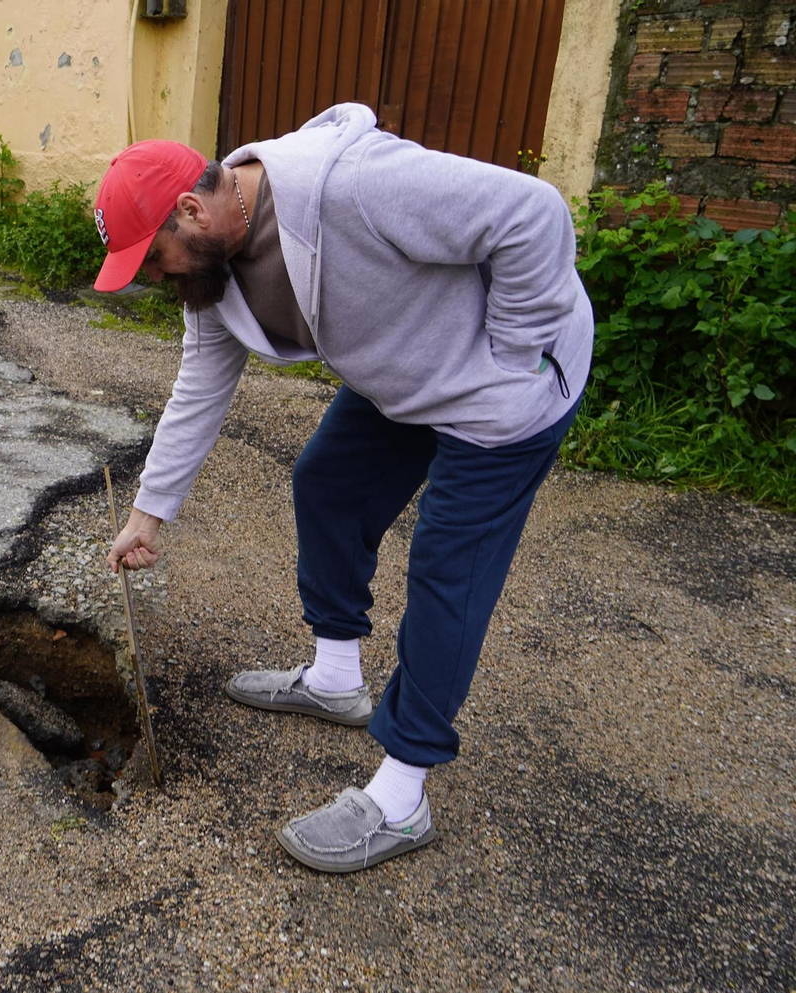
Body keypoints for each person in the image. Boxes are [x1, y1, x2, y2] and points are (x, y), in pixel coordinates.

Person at [98, 104, 592, 873]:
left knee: (447, 564)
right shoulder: (213, 275)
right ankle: (335, 678)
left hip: (505, 388)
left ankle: (403, 794)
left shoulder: (350, 186)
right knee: (326, 481)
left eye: (155, 259)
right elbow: (198, 389)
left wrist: (509, 356)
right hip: (408, 375)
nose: (158, 279)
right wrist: (147, 516)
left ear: (191, 208)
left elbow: (534, 213)